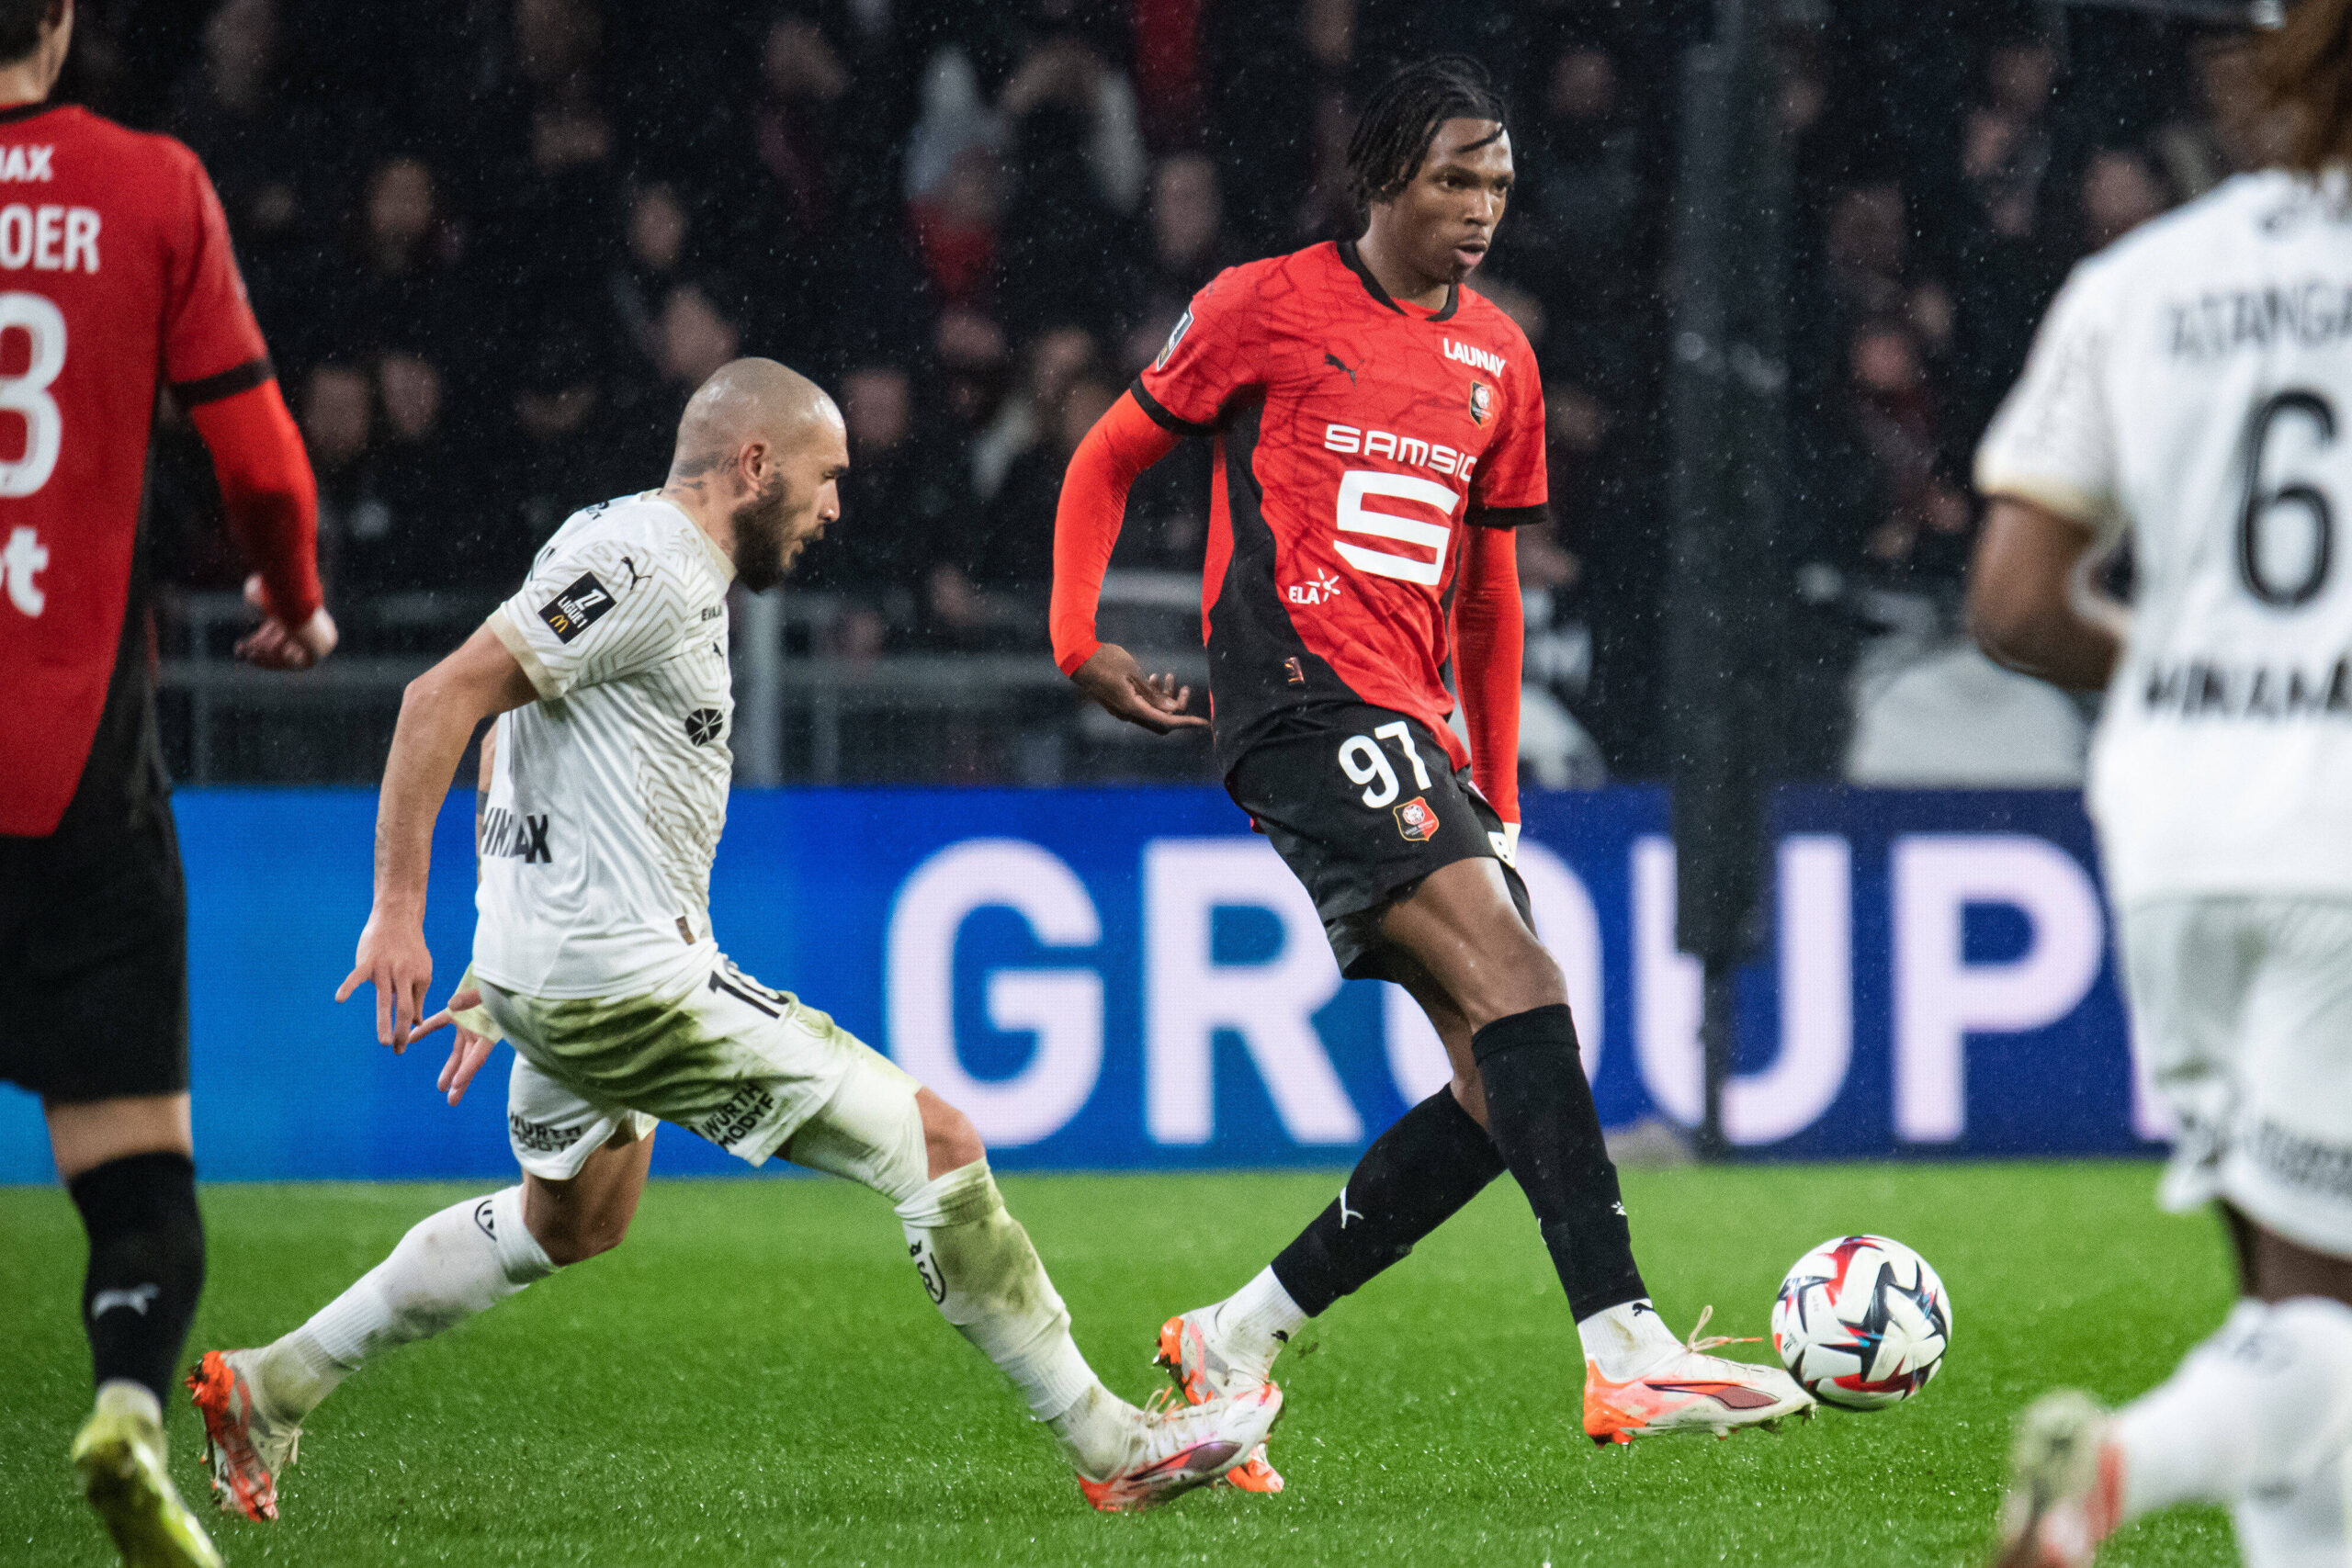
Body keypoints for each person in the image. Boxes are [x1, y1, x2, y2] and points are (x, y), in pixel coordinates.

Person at [187, 358, 1282, 1524]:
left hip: (555, 968)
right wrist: (399, 913)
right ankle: (1111, 1442)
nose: (835, 506)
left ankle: (272, 1384)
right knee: (937, 1143)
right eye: (825, 476)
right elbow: (441, 697)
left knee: (575, 1219)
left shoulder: (604, 536)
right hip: (625, 981)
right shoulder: (649, 565)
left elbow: (514, 717)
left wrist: (506, 941)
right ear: (754, 465)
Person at [1046, 55, 1810, 1494]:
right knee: (1527, 984)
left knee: (1499, 1082)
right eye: (1458, 177)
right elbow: (1106, 456)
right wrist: (1078, 636)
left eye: (1500, 184)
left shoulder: (1500, 359)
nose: (1482, 207)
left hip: (1416, 731)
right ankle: (1627, 1346)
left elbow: (1490, 597)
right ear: (1386, 175)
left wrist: (1500, 800)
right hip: (1296, 698)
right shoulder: (1265, 304)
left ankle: (1234, 1333)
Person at [1970, 4, 2352, 1563]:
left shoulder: (2147, 279)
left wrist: (2202, 669)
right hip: (2339, 838)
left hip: (2177, 830)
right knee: (2329, 1321)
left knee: (2287, 1303)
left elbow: (2014, 603)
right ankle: (2120, 1462)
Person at [0, 1, 334, 1563]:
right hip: (72, 761)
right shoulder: (148, 186)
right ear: (62, 21)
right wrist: (296, 598)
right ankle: (131, 1404)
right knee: (136, 1177)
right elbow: (260, 463)